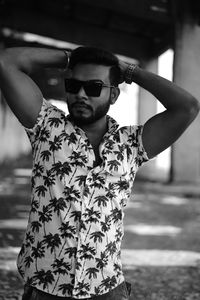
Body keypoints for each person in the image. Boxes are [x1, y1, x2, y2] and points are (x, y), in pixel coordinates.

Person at [0, 46, 199, 300]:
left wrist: (129, 72)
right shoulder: (46, 126)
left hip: (106, 287)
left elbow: (187, 107)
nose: (81, 94)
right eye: (73, 85)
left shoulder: (132, 143)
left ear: (113, 95)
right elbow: (6, 62)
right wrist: (71, 58)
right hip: (45, 285)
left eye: (94, 87)